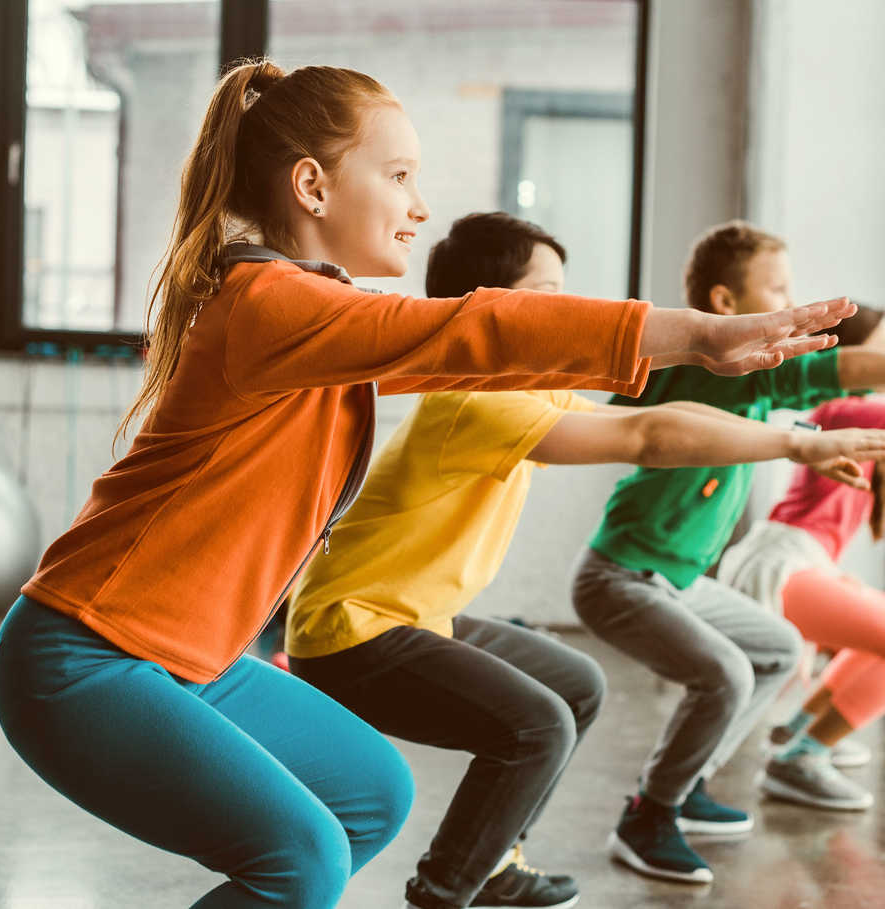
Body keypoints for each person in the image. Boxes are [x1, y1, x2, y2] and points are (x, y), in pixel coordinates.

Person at [0, 62, 853, 908]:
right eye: (399, 175)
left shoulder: (315, 319)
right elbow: (477, 330)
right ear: (312, 187)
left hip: (189, 659)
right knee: (302, 857)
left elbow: (480, 345)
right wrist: (697, 336)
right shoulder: (268, 306)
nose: (420, 205)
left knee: (371, 794)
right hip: (87, 653)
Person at [284, 213, 885, 909]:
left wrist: (793, 441)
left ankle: (497, 858)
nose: (567, 312)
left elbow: (662, 414)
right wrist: (793, 447)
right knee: (537, 724)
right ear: (489, 310)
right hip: (352, 631)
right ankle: (444, 891)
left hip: (416, 617)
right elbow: (647, 432)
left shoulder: (522, 386)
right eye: (548, 294)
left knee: (576, 682)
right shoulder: (475, 397)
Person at [570, 221, 885, 886]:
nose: (788, 301)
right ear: (723, 304)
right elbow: (846, 369)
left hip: (676, 576)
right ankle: (649, 814)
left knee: (771, 649)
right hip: (623, 573)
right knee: (727, 676)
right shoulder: (716, 372)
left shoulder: (749, 381)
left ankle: (688, 780)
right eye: (776, 289)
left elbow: (828, 388)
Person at [719, 394, 885, 811]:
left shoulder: (857, 420)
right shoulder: (844, 411)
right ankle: (800, 758)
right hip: (781, 563)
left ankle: (800, 730)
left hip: (799, 560)